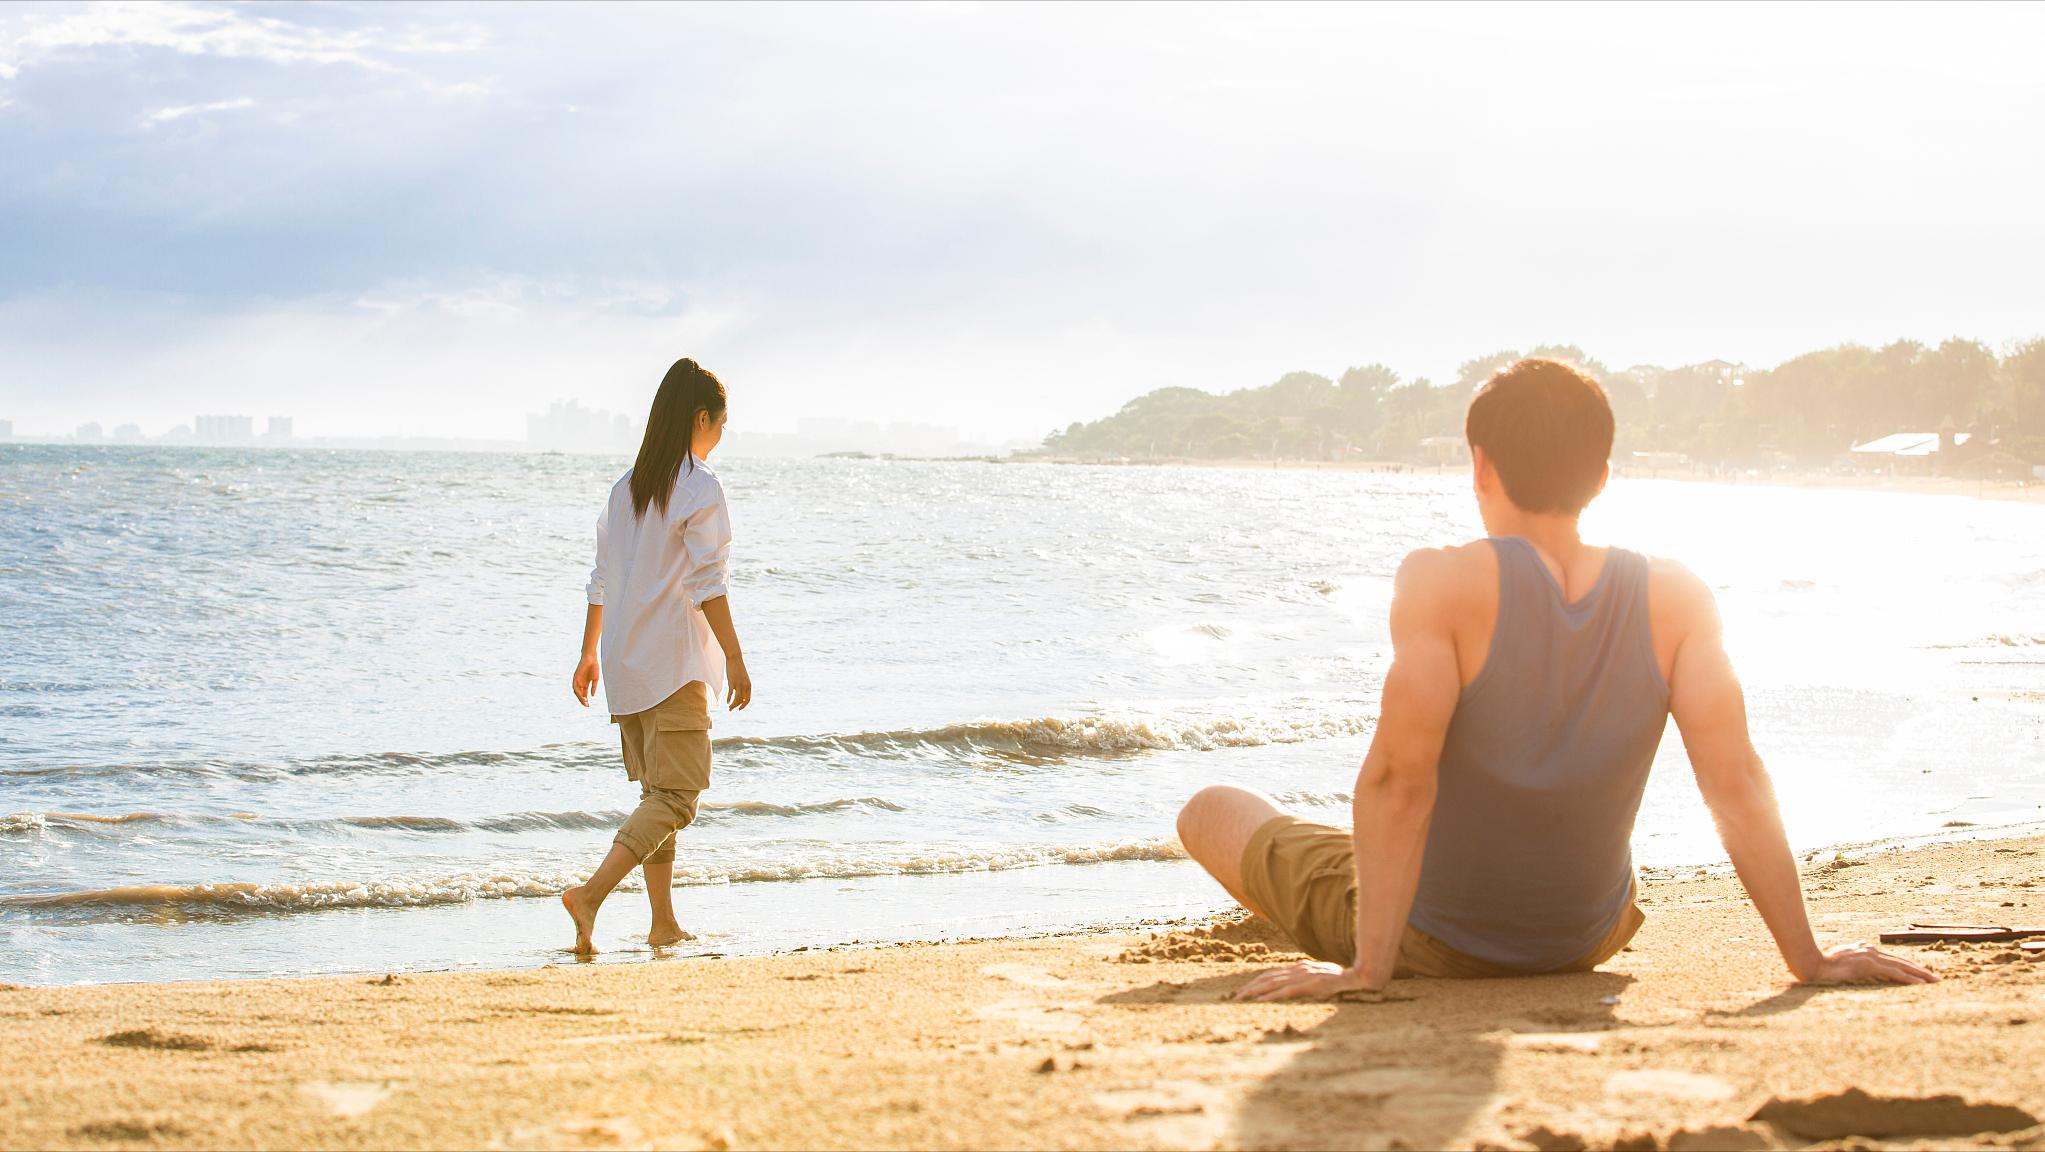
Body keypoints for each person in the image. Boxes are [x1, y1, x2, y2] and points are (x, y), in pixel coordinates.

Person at [1177, 358, 1935, 1000]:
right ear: (1602, 476)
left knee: (1212, 808)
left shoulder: (1440, 581)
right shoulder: (1676, 594)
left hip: (1436, 943)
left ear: (1478, 464)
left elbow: (1396, 782)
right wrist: (1808, 959)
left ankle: (1367, 920)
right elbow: (1733, 780)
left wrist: (1368, 969)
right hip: (1590, 935)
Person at [562, 357, 753, 956]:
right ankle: (590, 894)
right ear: (701, 417)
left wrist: (589, 653)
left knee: (656, 797)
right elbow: (708, 582)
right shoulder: (699, 485)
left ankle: (663, 922)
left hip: (625, 665)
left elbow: (601, 578)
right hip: (671, 665)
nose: (722, 436)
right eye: (722, 424)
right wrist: (736, 658)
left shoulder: (627, 487)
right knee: (677, 797)